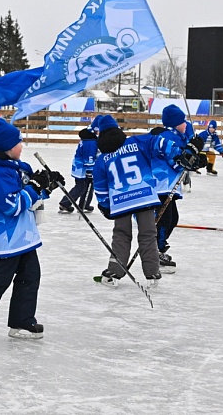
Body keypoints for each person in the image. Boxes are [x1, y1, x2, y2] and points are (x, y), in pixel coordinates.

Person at [0, 118, 65, 342]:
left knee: (30, 275)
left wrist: (46, 185)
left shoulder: (18, 168)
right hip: (4, 237)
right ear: (7, 148)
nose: (22, 146)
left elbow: (31, 197)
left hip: (23, 236)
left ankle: (22, 321)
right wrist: (35, 187)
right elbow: (13, 206)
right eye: (18, 142)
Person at [93, 114, 201, 288]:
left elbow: (100, 187)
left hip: (121, 202)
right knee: (148, 235)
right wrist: (180, 153)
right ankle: (153, 273)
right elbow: (159, 142)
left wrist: (105, 206)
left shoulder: (101, 160)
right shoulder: (137, 142)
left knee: (121, 235)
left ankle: (114, 271)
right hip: (145, 196)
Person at [148, 105, 200, 273]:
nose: (186, 124)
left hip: (167, 185)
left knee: (172, 218)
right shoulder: (171, 138)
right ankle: (157, 252)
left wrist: (196, 154)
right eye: (183, 121)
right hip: (162, 184)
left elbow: (185, 155)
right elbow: (177, 162)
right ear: (176, 123)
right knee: (165, 219)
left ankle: (158, 248)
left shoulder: (176, 135)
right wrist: (191, 155)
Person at [58, 115, 101, 213]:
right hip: (82, 167)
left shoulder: (91, 137)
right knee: (81, 186)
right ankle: (65, 203)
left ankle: (84, 204)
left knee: (89, 185)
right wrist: (90, 170)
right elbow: (89, 158)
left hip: (82, 167)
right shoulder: (90, 141)